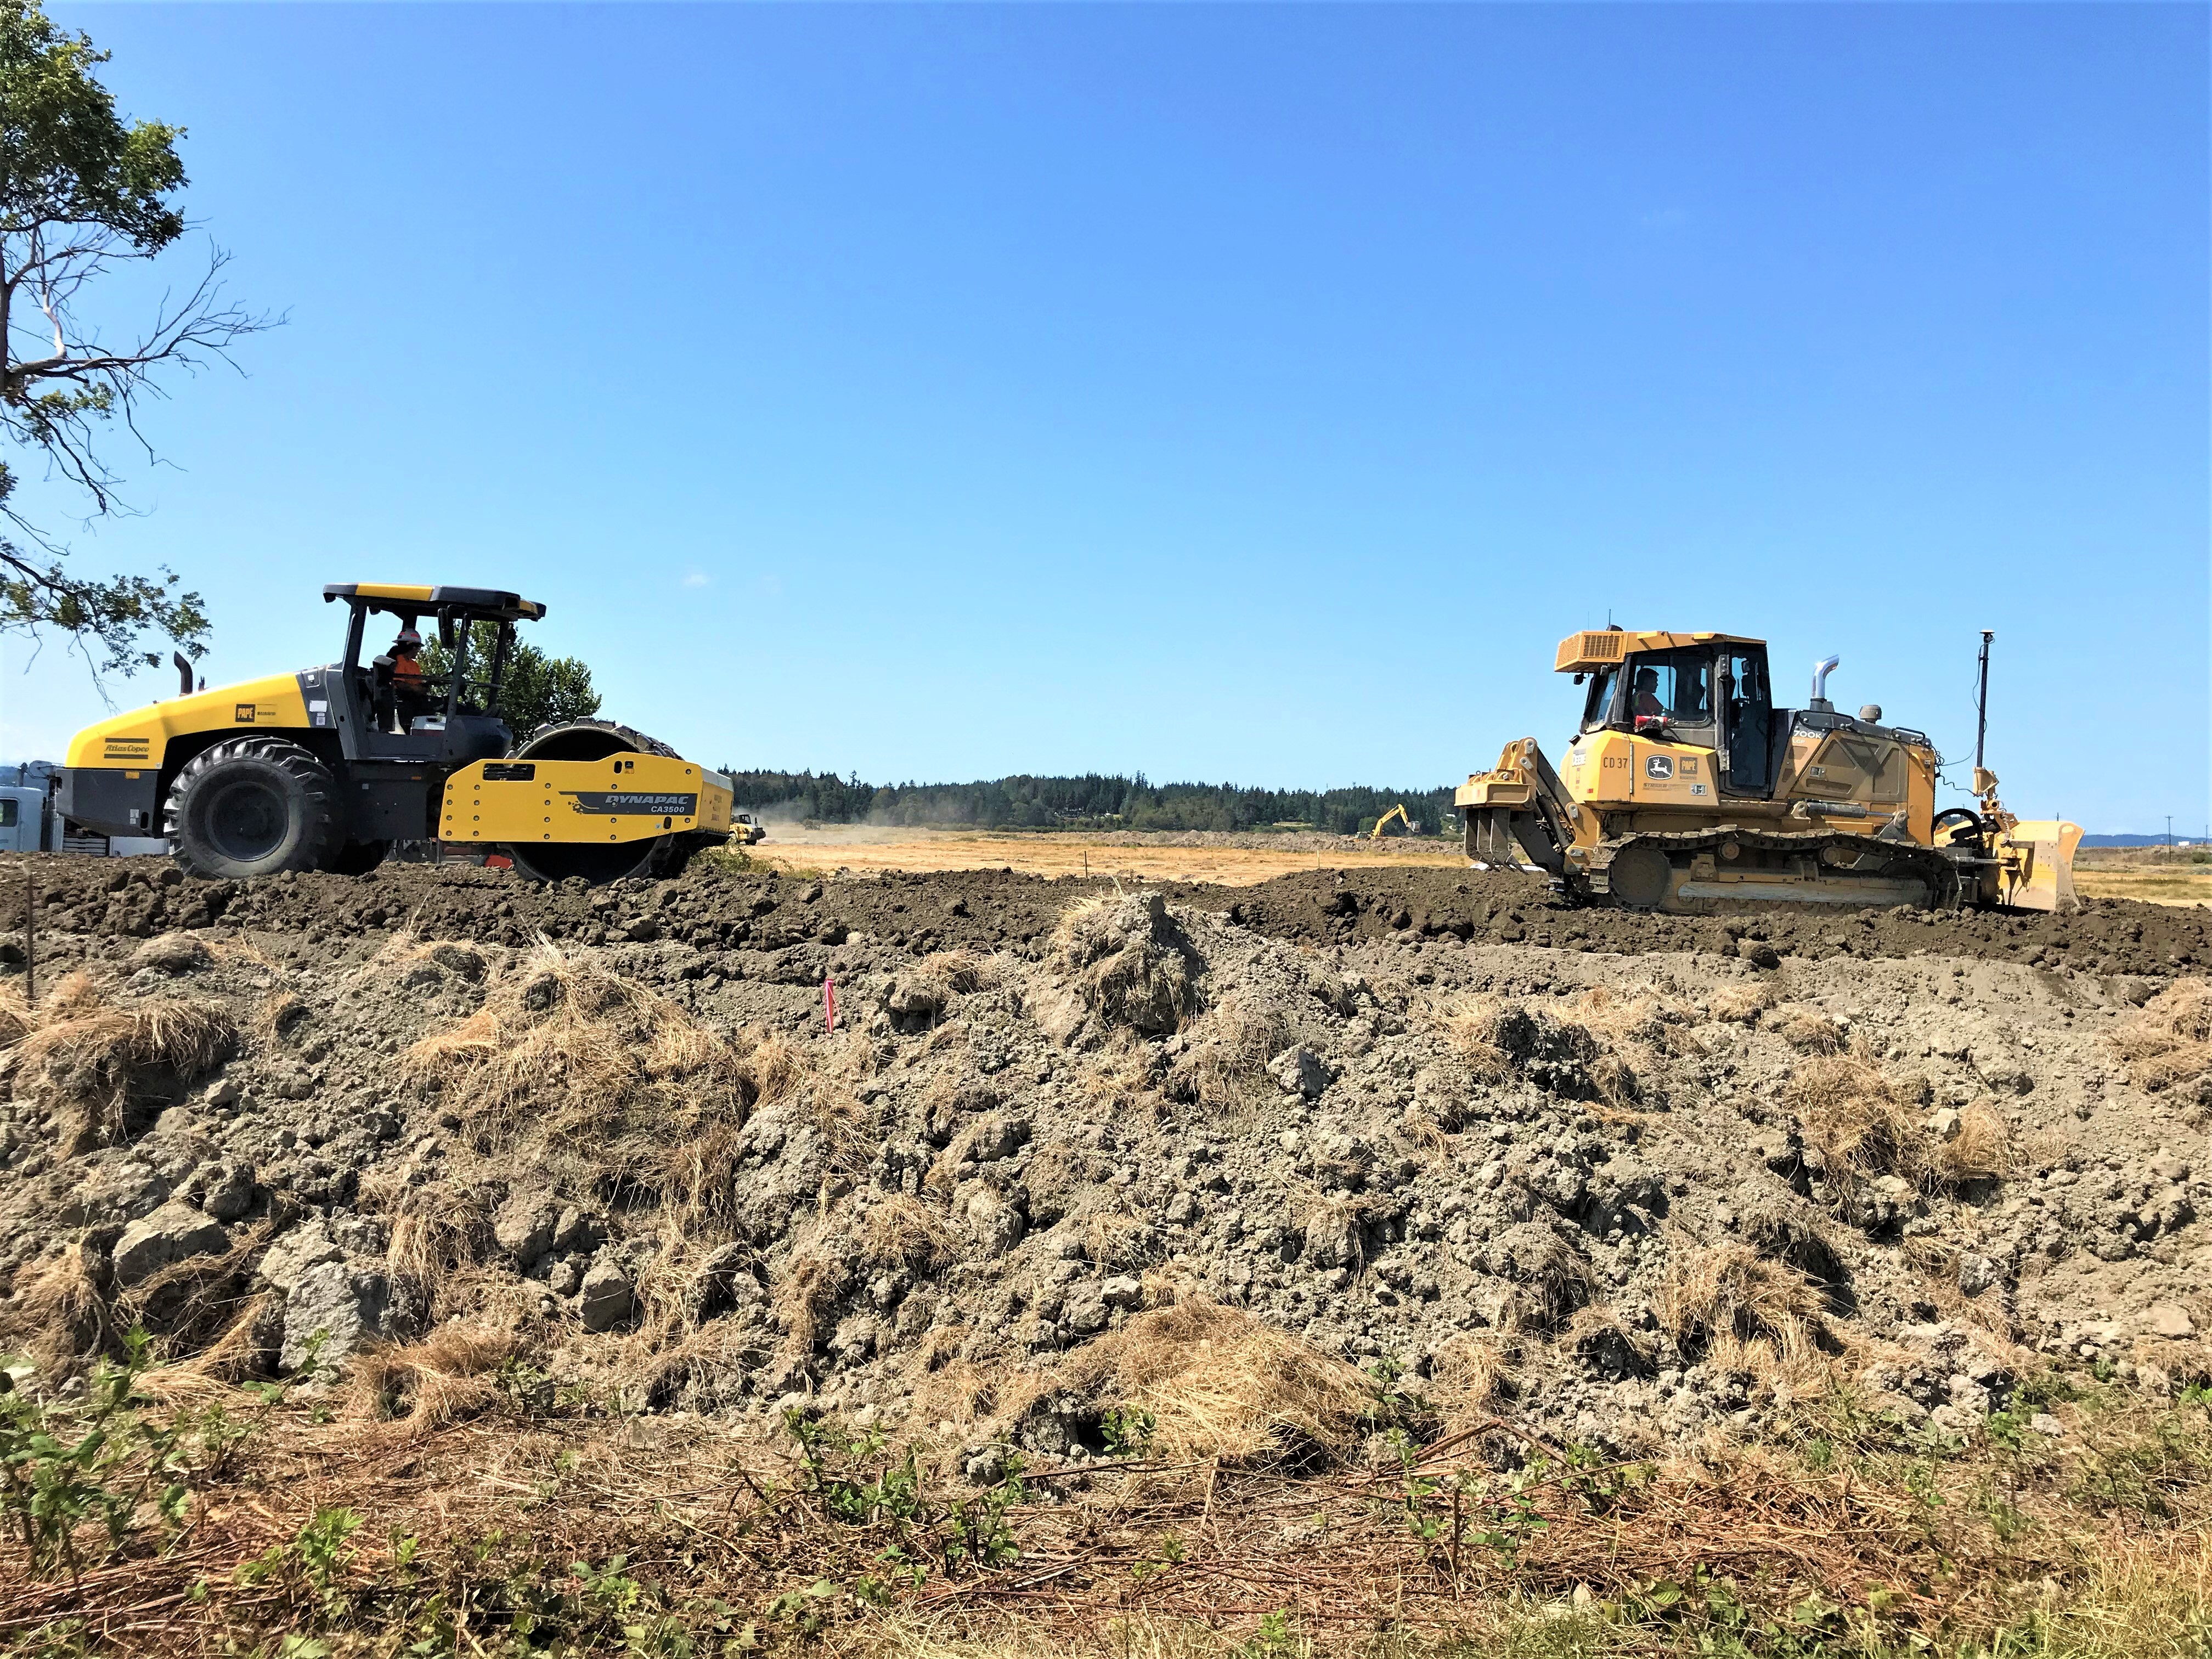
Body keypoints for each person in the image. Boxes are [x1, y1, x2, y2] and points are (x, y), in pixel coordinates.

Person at [390, 627, 434, 729]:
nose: (419, 651)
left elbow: (418, 683)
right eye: (419, 647)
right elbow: (399, 684)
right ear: (412, 647)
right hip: (403, 701)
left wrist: (424, 687)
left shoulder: (414, 665)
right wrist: (417, 689)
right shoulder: (397, 661)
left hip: (415, 699)